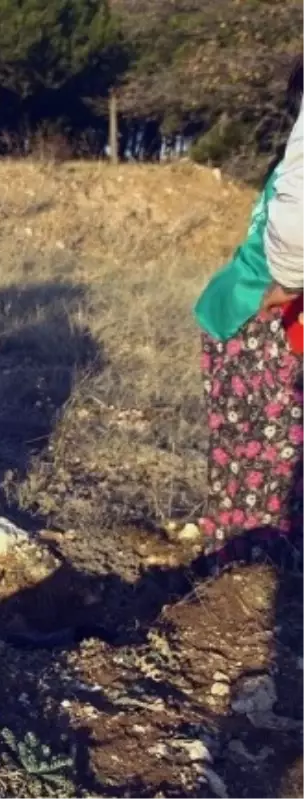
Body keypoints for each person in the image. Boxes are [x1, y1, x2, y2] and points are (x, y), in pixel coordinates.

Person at [194, 58, 304, 562]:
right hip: (260, 315)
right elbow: (297, 217)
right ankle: (248, 578)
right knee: (268, 462)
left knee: (248, 458)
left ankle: (241, 563)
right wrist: (286, 281)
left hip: (246, 308)